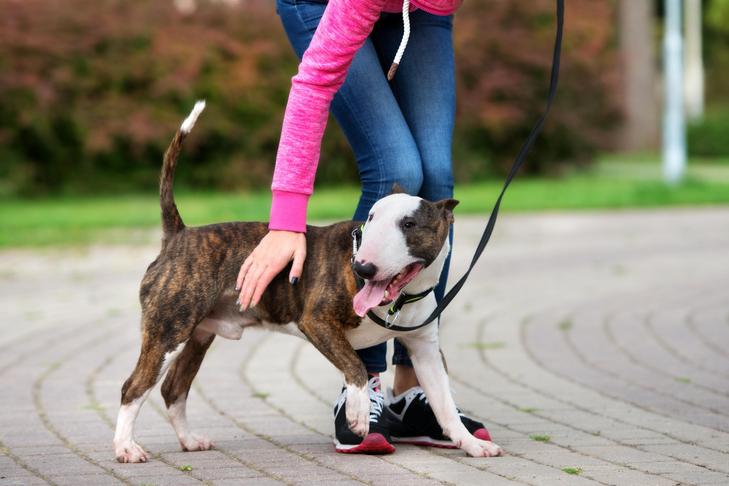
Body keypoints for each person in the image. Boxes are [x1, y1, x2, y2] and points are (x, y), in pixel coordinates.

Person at [236, 0, 491, 453]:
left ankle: (413, 392)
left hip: (421, 10)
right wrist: (287, 220)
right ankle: (363, 383)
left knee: (435, 178)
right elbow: (314, 83)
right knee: (395, 165)